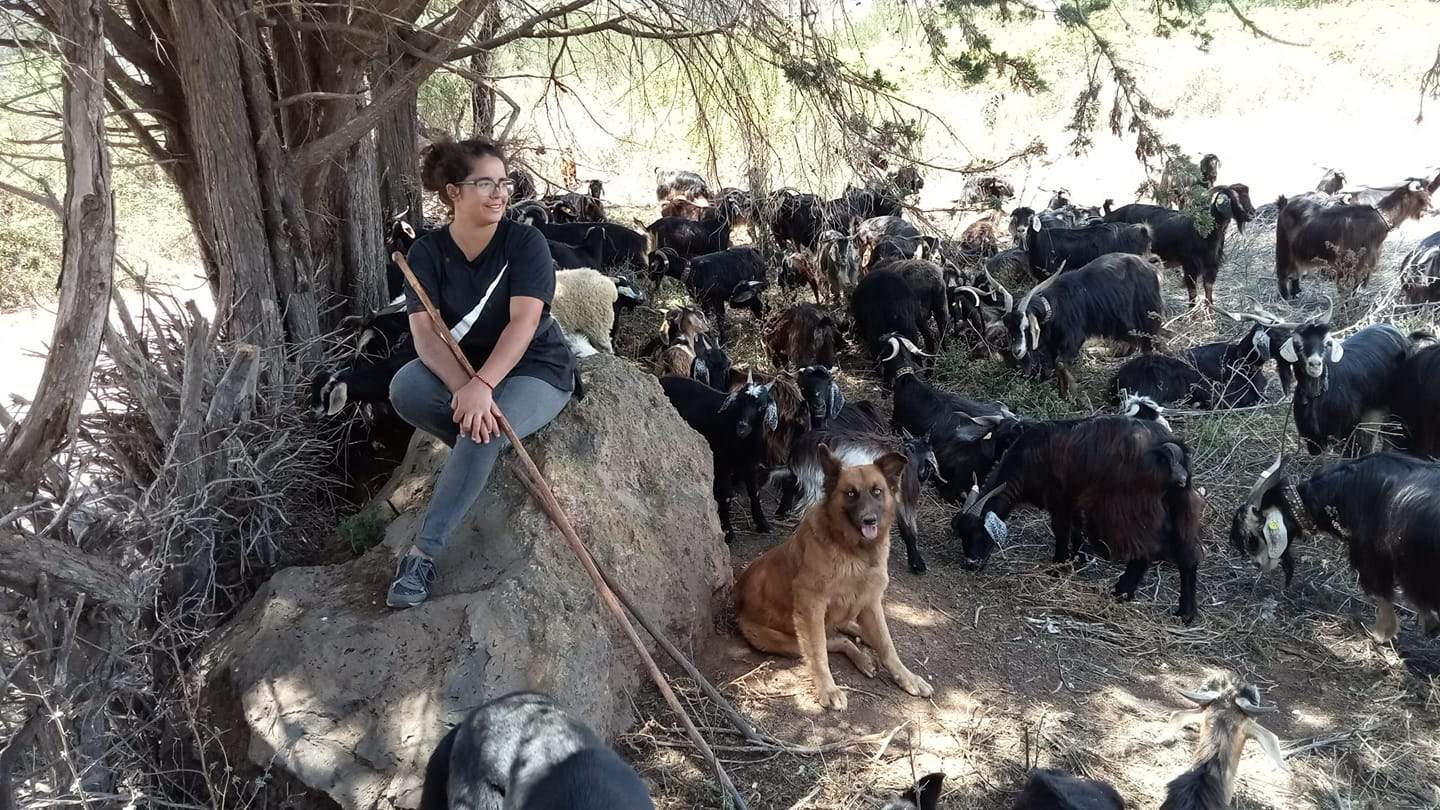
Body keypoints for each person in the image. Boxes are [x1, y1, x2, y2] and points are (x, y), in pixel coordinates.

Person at [385, 138, 576, 609]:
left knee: (479, 434)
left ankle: (422, 555)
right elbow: (427, 338)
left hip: (535, 367)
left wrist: (483, 387)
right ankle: (481, 449)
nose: (499, 193)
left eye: (504, 182)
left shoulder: (523, 242)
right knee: (405, 386)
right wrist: (464, 390)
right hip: (466, 372)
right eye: (484, 183)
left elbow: (524, 323)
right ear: (453, 192)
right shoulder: (428, 253)